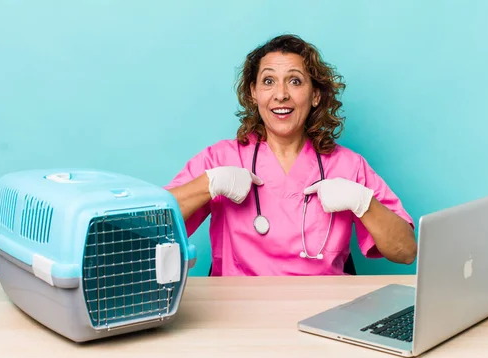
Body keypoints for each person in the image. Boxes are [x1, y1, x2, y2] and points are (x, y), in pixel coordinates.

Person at [165, 34, 416, 276]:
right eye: (268, 81)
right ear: (254, 93)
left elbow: (405, 252)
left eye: (295, 81)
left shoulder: (348, 165)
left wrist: (363, 203)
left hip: (325, 309)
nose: (281, 94)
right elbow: (154, 227)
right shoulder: (221, 158)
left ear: (315, 95)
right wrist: (208, 184)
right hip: (238, 307)